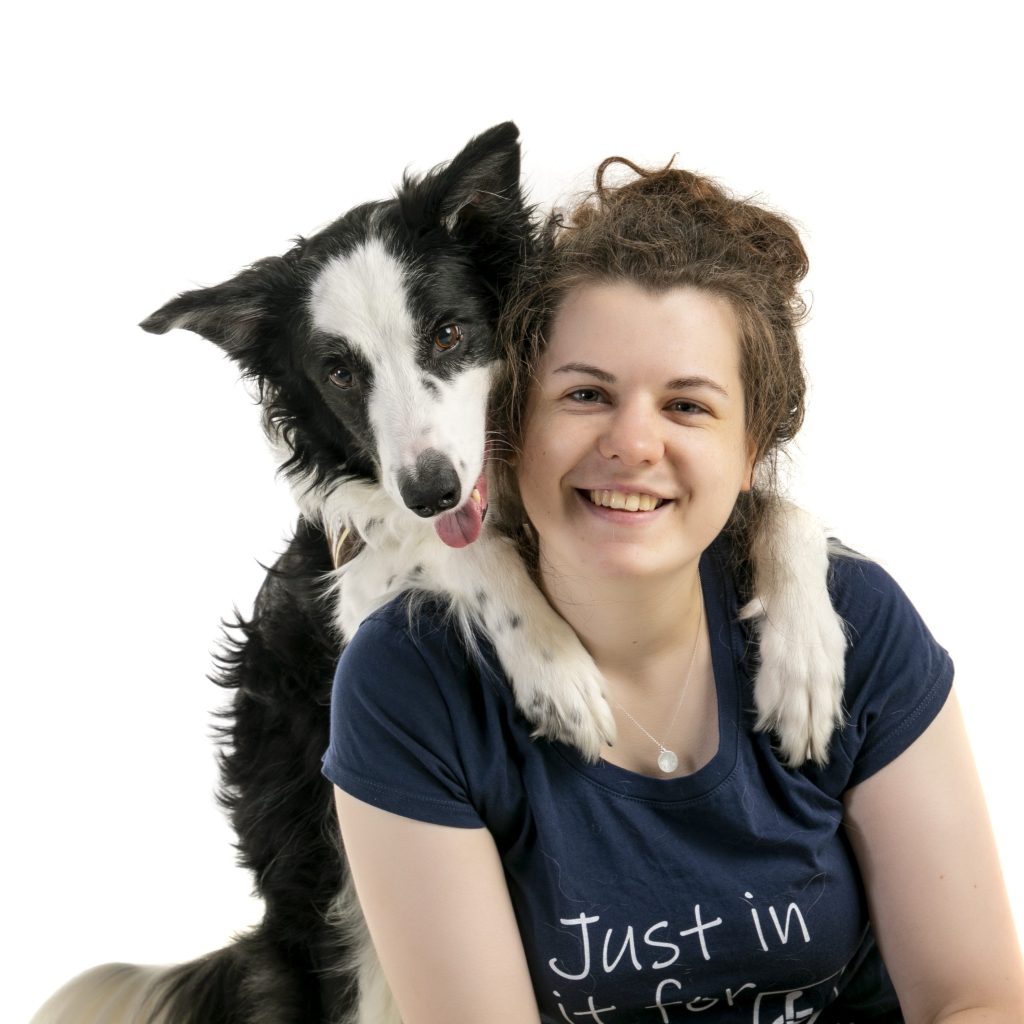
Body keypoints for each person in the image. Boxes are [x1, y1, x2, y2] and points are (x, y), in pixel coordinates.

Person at [321, 159, 1024, 1023]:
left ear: (751, 448)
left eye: (687, 407)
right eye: (585, 394)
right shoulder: (410, 682)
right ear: (507, 424)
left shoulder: (852, 618)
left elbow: (975, 1002)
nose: (634, 443)